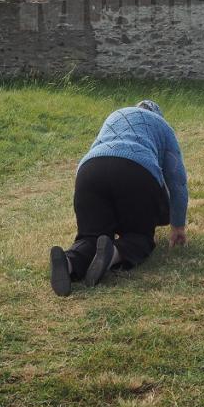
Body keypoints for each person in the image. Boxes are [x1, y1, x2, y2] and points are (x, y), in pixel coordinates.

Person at [49, 99, 188, 296]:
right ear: (158, 114)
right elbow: (177, 181)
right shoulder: (162, 126)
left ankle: (69, 261)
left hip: (90, 171)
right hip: (136, 171)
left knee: (91, 236)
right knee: (139, 237)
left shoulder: (116, 115)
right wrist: (178, 226)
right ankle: (112, 252)